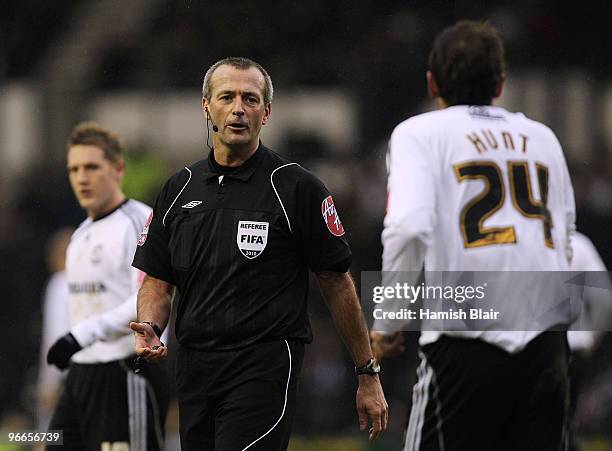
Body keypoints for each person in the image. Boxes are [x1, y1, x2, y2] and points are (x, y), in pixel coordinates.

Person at [129, 57, 388, 450]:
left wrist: (367, 373)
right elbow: (158, 281)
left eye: (250, 99)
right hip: (195, 368)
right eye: (227, 97)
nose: (238, 108)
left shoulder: (297, 188)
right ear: (206, 106)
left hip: (263, 366)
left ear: (266, 112)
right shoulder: (177, 189)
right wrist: (150, 325)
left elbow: (337, 282)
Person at [371, 21, 576, 450]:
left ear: (432, 81)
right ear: (500, 84)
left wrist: (390, 317)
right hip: (546, 343)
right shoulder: (544, 139)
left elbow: (408, 226)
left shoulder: (419, 132)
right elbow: (566, 236)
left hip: (465, 338)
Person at [46, 122, 169, 450]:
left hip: (124, 372)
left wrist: (81, 335)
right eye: (74, 169)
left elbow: (145, 300)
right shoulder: (79, 236)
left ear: (118, 169)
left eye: (91, 167)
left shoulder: (139, 222)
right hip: (80, 374)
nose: (81, 177)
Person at [37, 227, 72, 432]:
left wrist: (49, 385)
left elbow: (55, 335)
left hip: (63, 378)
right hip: (95, 376)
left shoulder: (60, 284)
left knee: (51, 440)